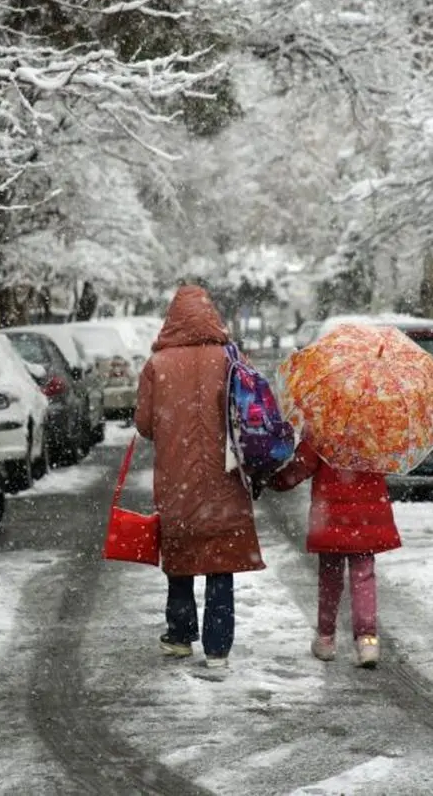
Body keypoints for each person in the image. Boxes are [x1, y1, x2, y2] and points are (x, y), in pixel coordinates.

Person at [134, 285, 264, 668]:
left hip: (177, 478)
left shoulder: (158, 365)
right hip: (226, 475)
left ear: (172, 319)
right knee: (221, 559)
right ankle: (218, 647)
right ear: (212, 316)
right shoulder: (231, 358)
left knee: (181, 553)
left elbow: (144, 424)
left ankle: (179, 635)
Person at [266, 435, 401, 668]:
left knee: (330, 578)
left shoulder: (323, 427)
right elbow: (390, 464)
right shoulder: (376, 426)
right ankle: (367, 640)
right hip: (367, 516)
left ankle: (326, 638)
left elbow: (301, 467)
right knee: (364, 577)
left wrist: (274, 481)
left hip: (329, 515)